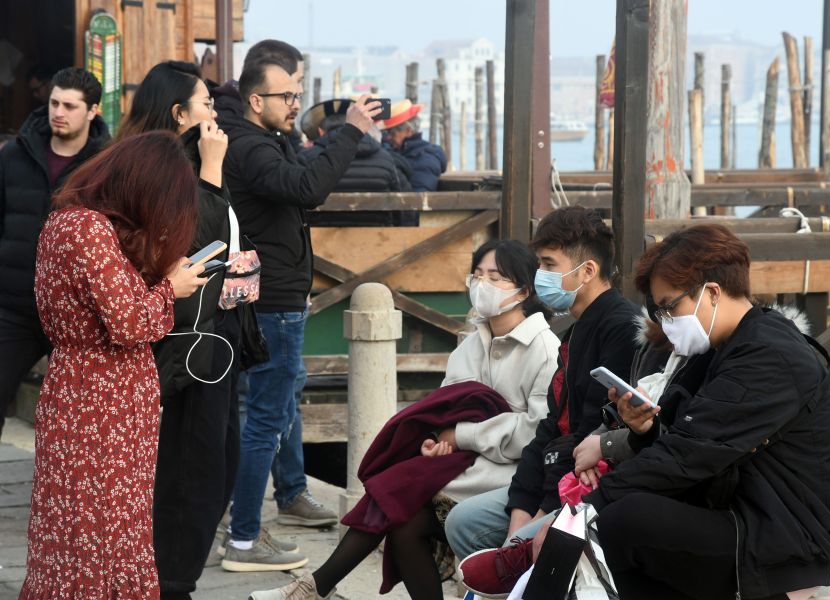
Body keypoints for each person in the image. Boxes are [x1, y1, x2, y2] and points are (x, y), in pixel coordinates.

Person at [534, 224, 830, 600]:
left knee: (624, 520)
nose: (664, 321)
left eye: (670, 307)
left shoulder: (771, 355)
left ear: (713, 293)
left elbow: (691, 455)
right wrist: (644, 433)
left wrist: (579, 513)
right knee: (617, 532)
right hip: (738, 512)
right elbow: (688, 442)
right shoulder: (723, 346)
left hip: (787, 536)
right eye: (658, 311)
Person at [250, 239, 560, 600]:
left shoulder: (544, 348)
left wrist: (463, 435)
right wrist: (438, 440)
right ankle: (314, 587)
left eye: (495, 277)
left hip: (512, 471)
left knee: (396, 496)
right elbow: (448, 408)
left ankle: (312, 587)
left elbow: (535, 432)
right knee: (402, 521)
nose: (482, 285)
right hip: (462, 464)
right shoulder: (471, 343)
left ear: (523, 289)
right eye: (477, 275)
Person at [19, 131, 207, 599]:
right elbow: (128, 322)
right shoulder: (89, 229)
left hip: (80, 389)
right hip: (103, 400)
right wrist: (171, 288)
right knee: (102, 533)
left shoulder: (64, 222)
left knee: (73, 532)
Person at [218, 56, 383, 571]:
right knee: (264, 421)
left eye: (296, 95)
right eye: (286, 96)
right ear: (255, 101)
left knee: (268, 412)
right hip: (271, 305)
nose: (295, 104)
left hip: (274, 296)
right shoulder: (249, 146)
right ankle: (244, 539)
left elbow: (293, 195)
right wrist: (350, 132)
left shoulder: (260, 142)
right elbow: (309, 189)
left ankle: (265, 508)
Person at [116, 60, 266, 599]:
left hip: (213, 341)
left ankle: (175, 574)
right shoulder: (165, 168)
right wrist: (210, 169)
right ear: (180, 114)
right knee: (190, 467)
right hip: (186, 348)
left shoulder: (189, 162)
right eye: (207, 104)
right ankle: (172, 581)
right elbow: (197, 242)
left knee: (216, 462)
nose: (216, 115)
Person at [444, 206, 641, 567]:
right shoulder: (575, 331)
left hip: (591, 489)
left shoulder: (621, 330)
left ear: (587, 271)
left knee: (516, 541)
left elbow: (587, 437)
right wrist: (521, 508)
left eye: (549, 265)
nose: (540, 276)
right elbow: (551, 428)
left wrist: (540, 512)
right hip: (550, 476)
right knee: (464, 523)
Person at [0, 67, 108, 440]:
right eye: (54, 103)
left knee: (81, 419)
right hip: (13, 304)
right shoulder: (14, 155)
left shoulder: (106, 165)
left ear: (93, 110)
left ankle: (72, 497)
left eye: (70, 105)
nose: (58, 112)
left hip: (75, 313)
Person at [300, 98, 412, 226]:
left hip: (317, 241)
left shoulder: (306, 158)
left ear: (321, 131)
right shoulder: (386, 159)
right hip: (378, 240)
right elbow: (405, 205)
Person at [380, 99, 447, 192]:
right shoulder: (398, 152)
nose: (388, 137)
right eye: (386, 133)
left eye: (392, 133)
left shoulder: (425, 159)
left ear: (408, 130)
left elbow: (416, 199)